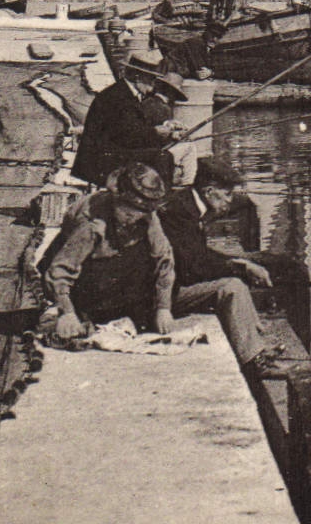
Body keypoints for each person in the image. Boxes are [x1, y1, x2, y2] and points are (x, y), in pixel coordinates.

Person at [157, 156, 279, 373]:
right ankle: (252, 360)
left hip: (171, 284)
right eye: (227, 194)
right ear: (209, 191)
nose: (230, 201)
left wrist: (238, 262)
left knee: (233, 279)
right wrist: (241, 267)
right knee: (231, 287)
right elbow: (193, 267)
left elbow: (198, 254)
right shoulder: (180, 213)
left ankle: (256, 341)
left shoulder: (186, 204)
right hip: (162, 297)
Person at [43, 162, 176, 341]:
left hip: (115, 280)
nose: (134, 219)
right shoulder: (93, 224)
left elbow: (164, 260)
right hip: (82, 279)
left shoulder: (147, 216)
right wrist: (66, 312)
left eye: (140, 213)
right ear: (117, 199)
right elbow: (60, 270)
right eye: (128, 214)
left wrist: (163, 308)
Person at [71, 51, 186, 187]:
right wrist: (155, 132)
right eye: (150, 79)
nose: (153, 84)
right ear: (137, 77)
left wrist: (167, 129)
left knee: (160, 153)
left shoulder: (126, 93)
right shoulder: (117, 97)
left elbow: (133, 128)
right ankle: (159, 201)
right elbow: (124, 135)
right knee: (163, 157)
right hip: (101, 159)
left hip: (111, 151)